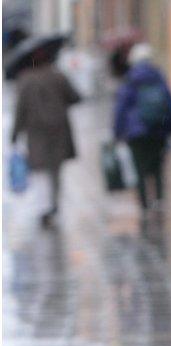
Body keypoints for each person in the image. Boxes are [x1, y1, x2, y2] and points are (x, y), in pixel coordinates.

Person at [11, 48, 81, 228]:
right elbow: (75, 97)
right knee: (55, 170)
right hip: (58, 131)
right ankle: (53, 205)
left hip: (36, 133)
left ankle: (44, 209)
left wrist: (15, 133)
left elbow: (20, 110)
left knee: (39, 171)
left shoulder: (25, 80)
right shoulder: (58, 77)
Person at [114, 43, 171, 213]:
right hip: (158, 129)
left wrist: (118, 132)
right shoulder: (159, 77)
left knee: (139, 169)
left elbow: (121, 108)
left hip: (136, 132)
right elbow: (170, 104)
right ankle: (159, 200)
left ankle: (144, 205)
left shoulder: (130, 79)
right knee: (157, 167)